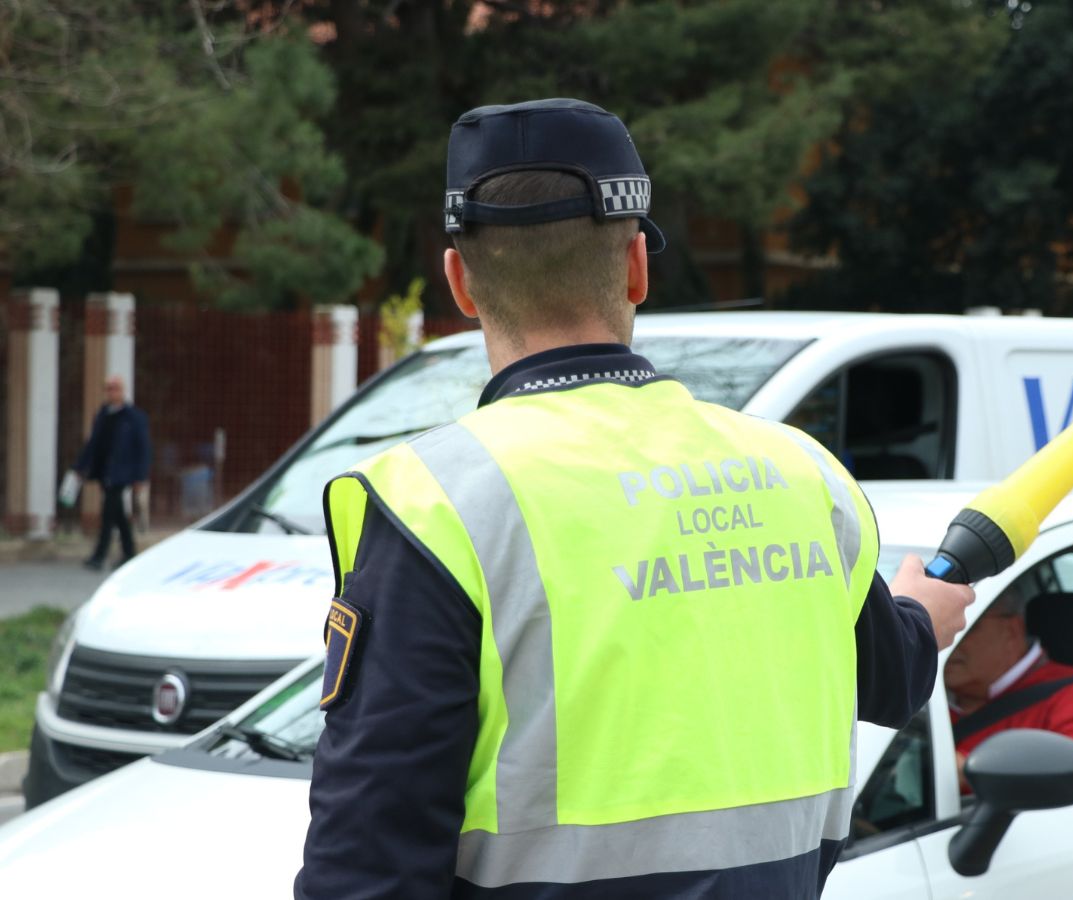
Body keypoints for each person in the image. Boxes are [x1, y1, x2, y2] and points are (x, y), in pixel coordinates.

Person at [296, 98, 974, 900]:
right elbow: (888, 679)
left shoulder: (439, 505)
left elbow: (369, 862)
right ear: (636, 268)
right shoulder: (800, 475)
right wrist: (919, 614)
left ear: (461, 285)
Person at [945, 587, 1073, 788]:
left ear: (1012, 631)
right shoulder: (925, 699)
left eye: (965, 628)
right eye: (942, 627)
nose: (948, 641)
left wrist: (966, 771)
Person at [74, 374, 151, 570]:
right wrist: (81, 467)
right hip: (104, 472)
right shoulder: (103, 415)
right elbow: (93, 444)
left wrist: (140, 476)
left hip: (122, 473)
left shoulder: (134, 417)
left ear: (122, 391)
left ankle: (99, 556)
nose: (111, 392)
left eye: (115, 388)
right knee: (118, 514)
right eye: (108, 388)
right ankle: (129, 552)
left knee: (108, 514)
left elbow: (143, 448)